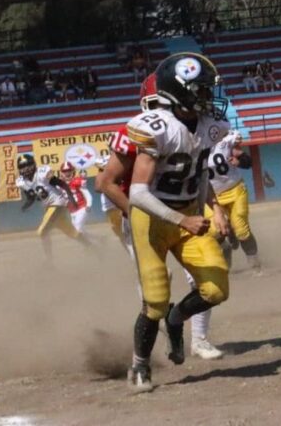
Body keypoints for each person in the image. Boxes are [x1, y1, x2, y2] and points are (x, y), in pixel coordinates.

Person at [96, 73, 225, 363]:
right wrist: (136, 213)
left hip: (182, 211)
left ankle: (198, 338)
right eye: (153, 104)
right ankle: (144, 355)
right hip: (144, 215)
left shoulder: (194, 129)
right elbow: (104, 182)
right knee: (156, 286)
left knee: (202, 278)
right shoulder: (137, 133)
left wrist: (213, 207)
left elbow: (197, 173)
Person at [124, 53, 233, 392]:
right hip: (154, 218)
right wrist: (183, 219)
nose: (208, 97)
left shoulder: (210, 125)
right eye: (201, 90)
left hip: (188, 212)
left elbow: (199, 173)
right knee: (155, 300)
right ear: (179, 91)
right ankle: (140, 366)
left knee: (215, 289)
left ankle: (177, 319)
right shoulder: (158, 127)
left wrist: (205, 208)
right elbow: (138, 193)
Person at [204, 129, 261, 273]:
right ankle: (225, 249)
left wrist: (239, 161)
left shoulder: (226, 141)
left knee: (240, 227)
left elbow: (248, 162)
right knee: (214, 231)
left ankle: (255, 264)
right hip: (211, 197)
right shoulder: (192, 145)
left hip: (234, 189)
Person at [16, 154, 92, 259]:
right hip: (49, 207)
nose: (26, 169)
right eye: (22, 166)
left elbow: (63, 184)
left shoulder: (42, 173)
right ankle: (94, 248)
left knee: (42, 231)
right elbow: (31, 197)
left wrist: (71, 198)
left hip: (57, 204)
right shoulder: (21, 182)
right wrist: (25, 207)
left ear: (33, 164)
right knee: (72, 233)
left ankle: (49, 262)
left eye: (28, 165)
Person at [60, 162, 93, 235]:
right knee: (78, 231)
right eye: (65, 171)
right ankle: (98, 239)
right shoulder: (60, 184)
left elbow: (87, 194)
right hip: (72, 211)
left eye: (68, 170)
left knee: (77, 229)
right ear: (61, 173)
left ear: (73, 171)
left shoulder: (77, 181)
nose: (67, 173)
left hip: (82, 208)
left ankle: (89, 245)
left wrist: (89, 205)